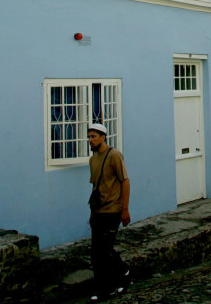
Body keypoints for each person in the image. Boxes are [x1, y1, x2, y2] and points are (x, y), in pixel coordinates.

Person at [87, 122, 131, 302]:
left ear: (103, 137)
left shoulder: (114, 155)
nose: (90, 140)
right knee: (97, 251)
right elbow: (96, 186)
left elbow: (125, 182)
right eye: (89, 137)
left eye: (93, 137)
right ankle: (122, 272)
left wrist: (124, 209)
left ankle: (107, 288)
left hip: (112, 210)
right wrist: (92, 212)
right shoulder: (93, 159)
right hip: (98, 211)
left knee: (104, 250)